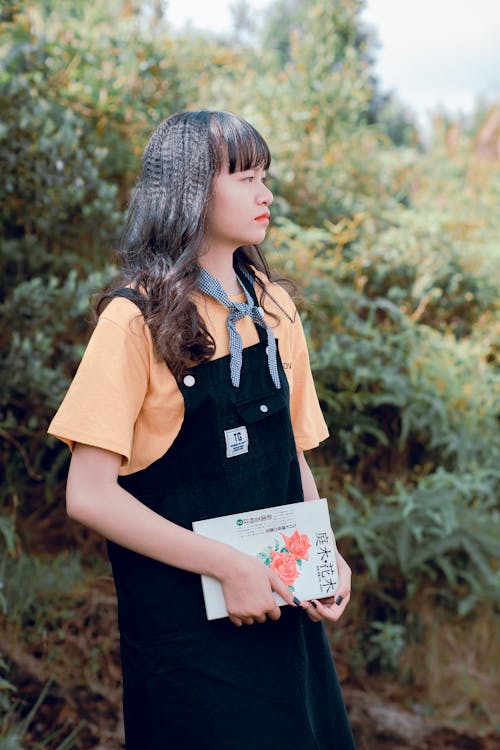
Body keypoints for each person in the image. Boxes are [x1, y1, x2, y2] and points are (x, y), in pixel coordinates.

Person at [48, 110, 356, 749]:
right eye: (244, 176)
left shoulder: (273, 307)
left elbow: (289, 454)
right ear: (188, 190)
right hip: (186, 643)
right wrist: (226, 567)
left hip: (282, 613)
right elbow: (89, 493)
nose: (265, 194)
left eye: (264, 175)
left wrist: (324, 557)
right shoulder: (135, 320)